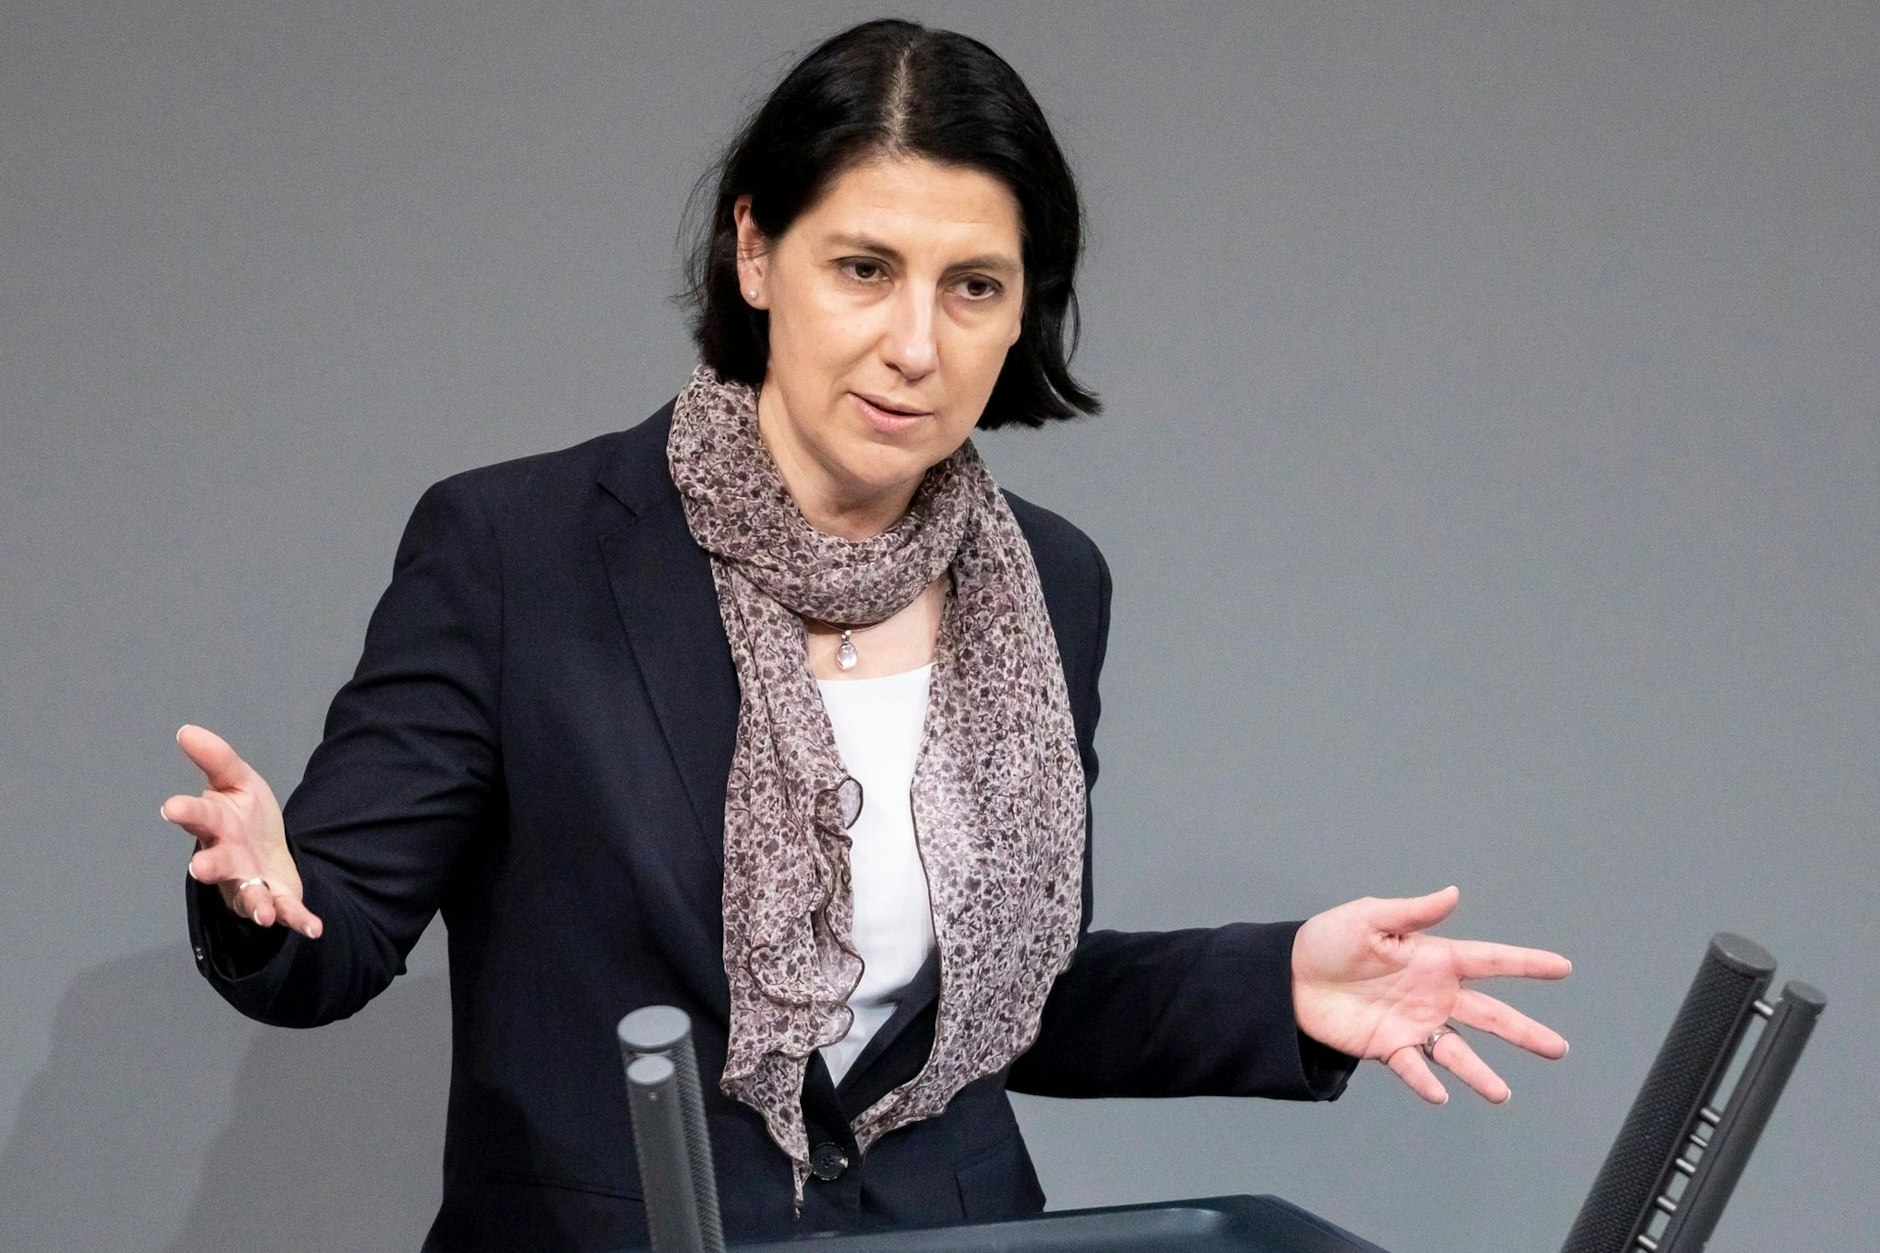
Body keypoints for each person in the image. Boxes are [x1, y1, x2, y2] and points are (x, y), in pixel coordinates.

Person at [160, 18, 1570, 1250]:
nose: (916, 344)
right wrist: (264, 896)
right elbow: (336, 934)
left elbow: (1000, 996)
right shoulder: (517, 550)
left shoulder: (1049, 583)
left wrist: (1280, 986)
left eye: (974, 286)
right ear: (756, 253)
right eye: (864, 267)